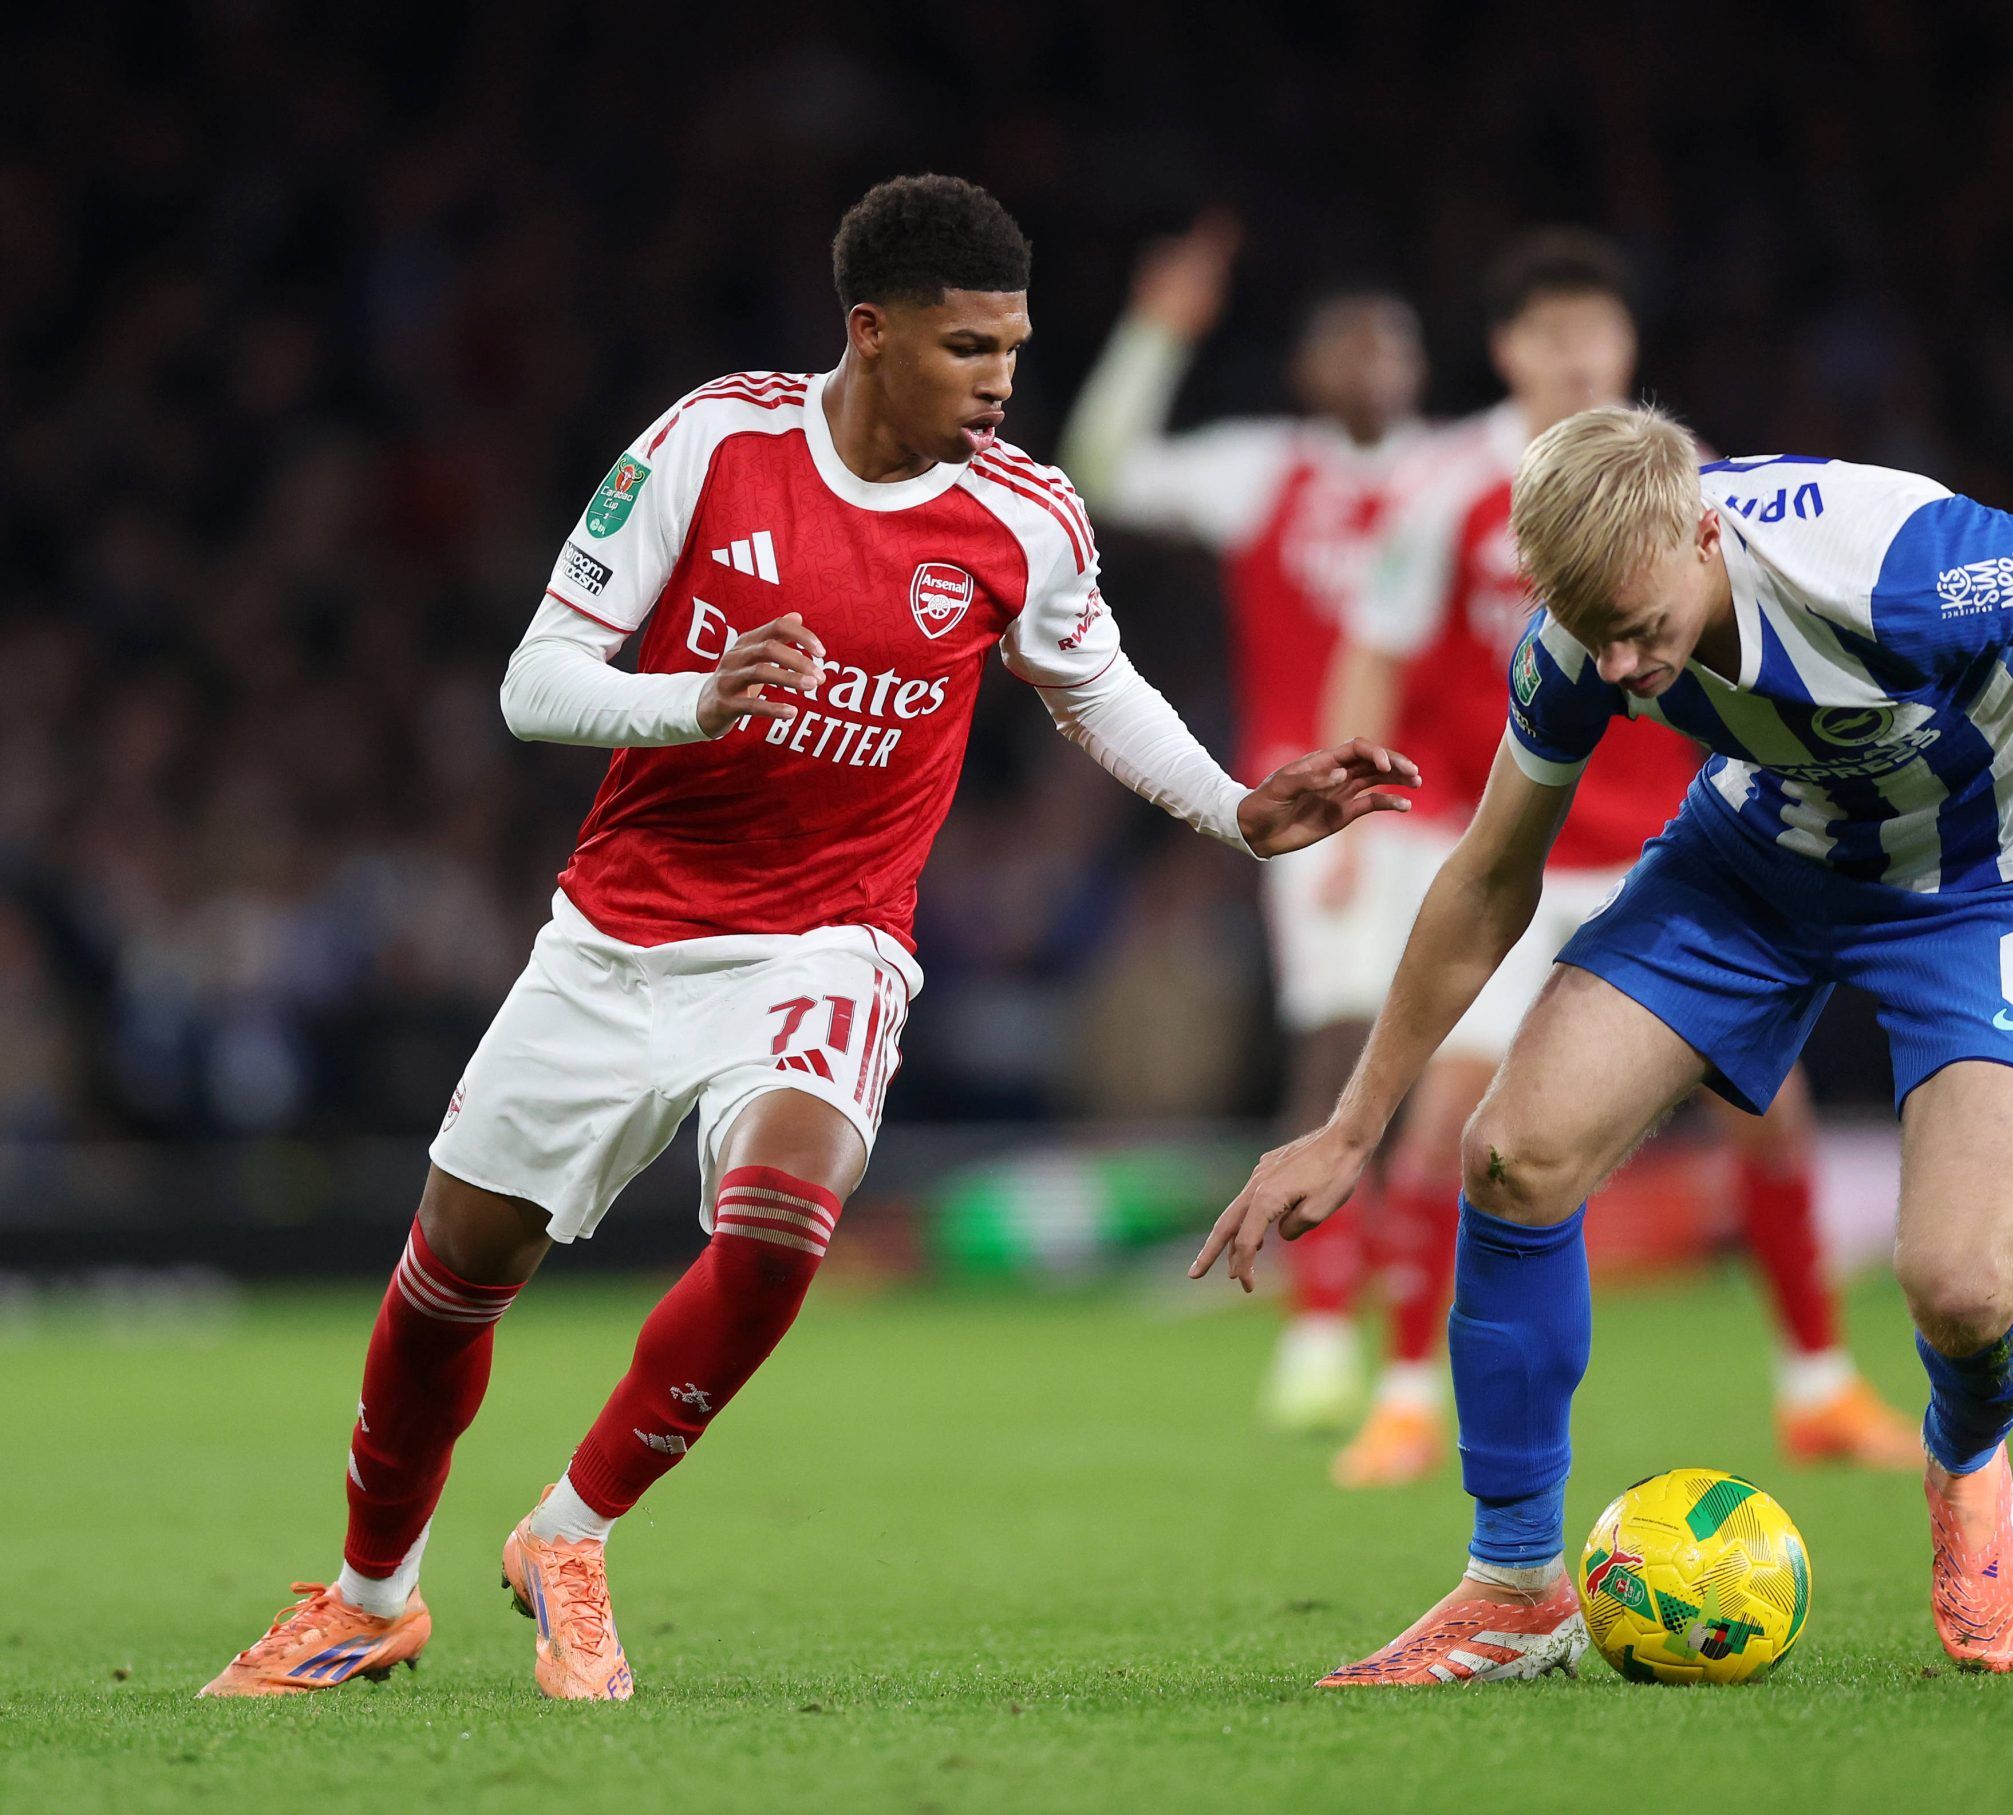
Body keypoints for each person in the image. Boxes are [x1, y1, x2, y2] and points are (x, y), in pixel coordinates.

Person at [201, 174, 1415, 1702]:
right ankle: (369, 1595)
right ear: (873, 330)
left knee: (783, 1220)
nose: (1000, 381)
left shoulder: (1023, 518)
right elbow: (535, 679)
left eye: (1016, 350)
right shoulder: (714, 439)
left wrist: (1239, 811)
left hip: (826, 942)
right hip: (615, 934)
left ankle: (569, 1530)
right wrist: (687, 701)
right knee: (450, 1278)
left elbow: (1095, 688)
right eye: (971, 347)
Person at [1195, 403, 2013, 1682]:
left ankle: (1963, 1453)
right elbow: (1485, 879)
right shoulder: (1579, 634)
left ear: (1702, 532)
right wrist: (1353, 1125)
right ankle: (1514, 1589)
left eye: (1645, 629)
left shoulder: (1895, 564)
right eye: (1599, 635)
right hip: (1759, 864)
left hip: (1992, 880)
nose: (1627, 667)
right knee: (1510, 1156)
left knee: (1963, 1292)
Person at [1317, 231, 1918, 1491]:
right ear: (1506, 348)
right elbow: (1374, 639)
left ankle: (1815, 1386)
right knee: (1450, 1120)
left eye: (1596, 326)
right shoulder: (1444, 488)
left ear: (1628, 343)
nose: (1576, 350)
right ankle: (1405, 1396)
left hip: (1668, 850)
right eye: (1550, 330)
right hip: (1518, 848)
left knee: (1770, 1116)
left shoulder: (1682, 486)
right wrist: (1347, 792)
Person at [1058, 215, 1429, 1435]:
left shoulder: (1466, 471)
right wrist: (1155, 336)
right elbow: (1103, 467)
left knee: (1458, 1077)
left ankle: (1422, 1338)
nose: (1376, 364)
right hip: (1318, 806)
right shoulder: (1266, 468)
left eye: (1395, 345)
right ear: (1310, 372)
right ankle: (1323, 1326)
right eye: (1353, 346)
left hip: (1457, 800)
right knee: (1334, 1048)